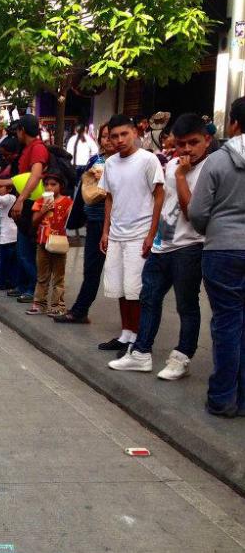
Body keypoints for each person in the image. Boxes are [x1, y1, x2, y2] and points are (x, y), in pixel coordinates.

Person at [108, 113, 209, 379]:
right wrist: (153, 235)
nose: (186, 149)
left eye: (193, 143)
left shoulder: (208, 169)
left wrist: (182, 176)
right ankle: (141, 353)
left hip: (190, 246)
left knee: (186, 305)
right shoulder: (172, 163)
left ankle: (182, 356)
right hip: (162, 245)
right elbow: (162, 201)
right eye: (181, 143)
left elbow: (192, 213)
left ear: (207, 140)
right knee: (149, 298)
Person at [188, 96, 245, 416]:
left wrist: (213, 228)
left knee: (226, 321)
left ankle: (223, 397)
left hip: (222, 249)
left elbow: (197, 212)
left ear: (233, 124)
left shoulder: (217, 161)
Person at [98, 114, 165, 355]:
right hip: (116, 234)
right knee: (119, 288)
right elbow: (109, 197)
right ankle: (125, 334)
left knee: (135, 290)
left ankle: (137, 338)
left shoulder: (148, 160)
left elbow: (159, 196)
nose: (119, 140)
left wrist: (151, 234)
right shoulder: (110, 163)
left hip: (139, 234)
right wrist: (105, 231)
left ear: (134, 133)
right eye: (114, 136)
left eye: (124, 134)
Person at [55, 122, 113, 324]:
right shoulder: (95, 160)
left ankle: (133, 327)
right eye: (105, 136)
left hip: (117, 223)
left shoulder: (124, 162)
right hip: (95, 220)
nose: (109, 140)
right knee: (91, 268)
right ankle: (81, 310)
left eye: (113, 135)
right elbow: (84, 188)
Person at [10, 115, 48, 303]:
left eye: (17, 130)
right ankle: (24, 285)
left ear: (22, 130)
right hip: (27, 204)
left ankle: (34, 289)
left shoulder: (37, 148)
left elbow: (35, 176)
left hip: (33, 205)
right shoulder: (28, 148)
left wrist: (21, 199)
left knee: (27, 251)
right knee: (22, 250)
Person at [27, 174, 73, 316]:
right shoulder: (40, 201)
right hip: (42, 242)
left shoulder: (67, 202)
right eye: (46, 184)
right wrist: (43, 210)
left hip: (58, 243)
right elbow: (34, 221)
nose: (49, 187)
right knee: (42, 276)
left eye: (53, 184)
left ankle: (58, 306)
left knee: (58, 277)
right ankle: (39, 304)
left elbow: (71, 220)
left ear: (61, 186)